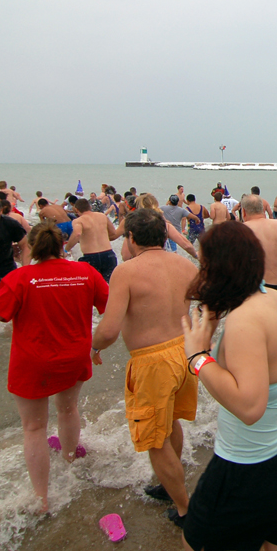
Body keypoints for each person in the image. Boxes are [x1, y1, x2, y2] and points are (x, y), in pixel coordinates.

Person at [0, 221, 109, 512]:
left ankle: (41, 498)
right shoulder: (86, 272)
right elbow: (110, 308)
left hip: (34, 363)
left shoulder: (21, 278)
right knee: (68, 409)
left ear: (30, 248)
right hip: (75, 356)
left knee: (34, 428)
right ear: (61, 245)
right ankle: (69, 463)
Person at [180, 221, 277, 551]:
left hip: (253, 465)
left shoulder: (244, 319)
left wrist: (199, 358)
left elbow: (250, 407)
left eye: (204, 264)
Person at [91, 209, 200, 526]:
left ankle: (185, 510)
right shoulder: (184, 264)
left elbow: (109, 330)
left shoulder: (126, 271)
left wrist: (93, 346)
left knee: (154, 439)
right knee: (171, 422)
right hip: (184, 350)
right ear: (164, 237)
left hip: (153, 361)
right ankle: (170, 487)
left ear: (131, 238)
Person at [65, 198, 119, 283]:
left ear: (76, 210)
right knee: (108, 286)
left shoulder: (78, 221)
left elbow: (77, 234)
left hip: (91, 257)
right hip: (108, 255)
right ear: (90, 207)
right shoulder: (102, 216)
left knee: (92, 286)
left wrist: (66, 249)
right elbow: (113, 234)